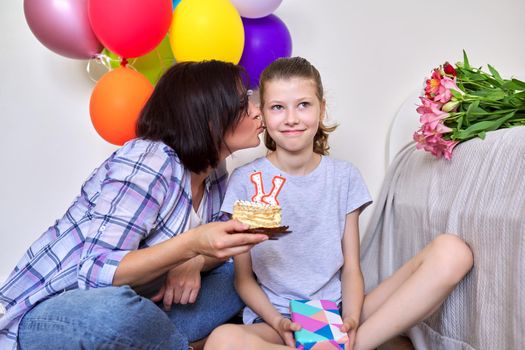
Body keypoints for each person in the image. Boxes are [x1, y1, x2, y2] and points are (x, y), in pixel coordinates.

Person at [205, 57, 474, 350]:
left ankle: (346, 345)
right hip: (277, 320)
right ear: (264, 115)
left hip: (337, 311)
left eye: (303, 105)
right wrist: (279, 322)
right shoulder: (246, 180)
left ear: (321, 109)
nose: (291, 118)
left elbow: (351, 268)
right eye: (278, 107)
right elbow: (244, 279)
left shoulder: (344, 177)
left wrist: (352, 320)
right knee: (222, 340)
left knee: (453, 252)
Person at [0, 60, 271, 350]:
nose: (257, 109)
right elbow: (94, 271)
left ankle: (168, 341)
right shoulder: (150, 160)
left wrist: (196, 260)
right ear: (209, 117)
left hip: (147, 305)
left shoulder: (215, 173)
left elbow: (217, 245)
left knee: (244, 271)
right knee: (116, 313)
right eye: (244, 102)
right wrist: (191, 246)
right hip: (60, 313)